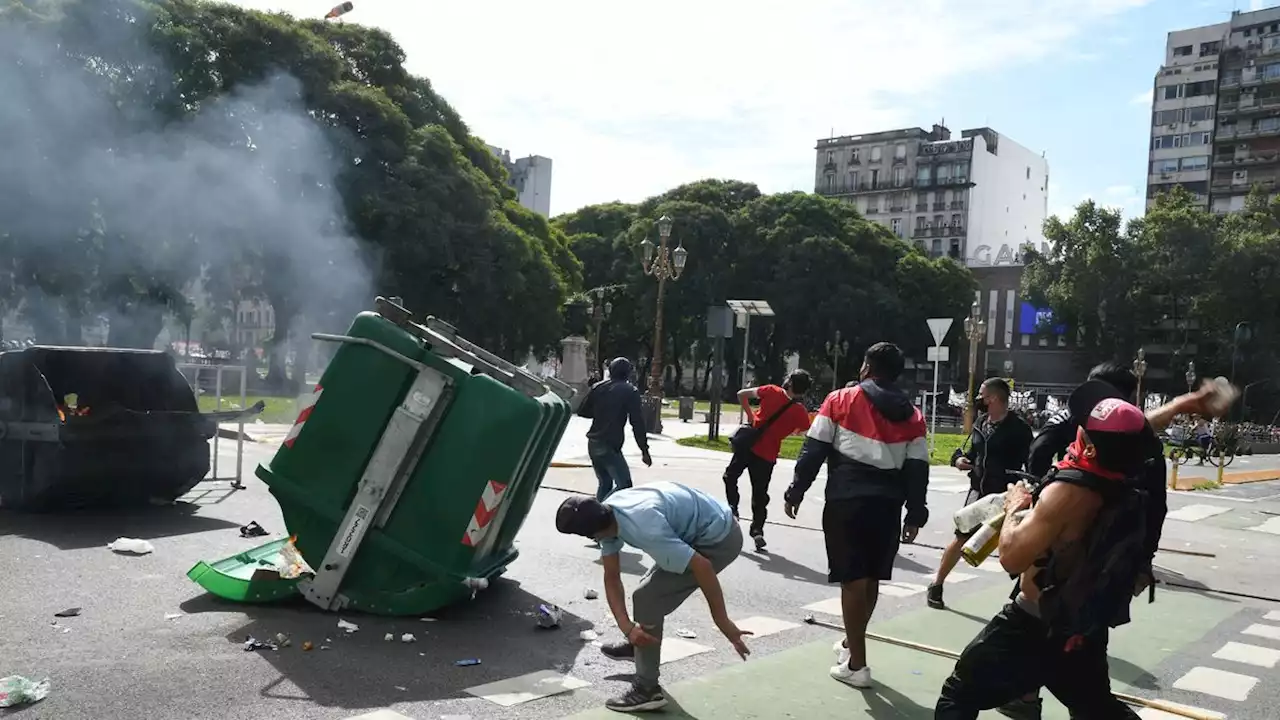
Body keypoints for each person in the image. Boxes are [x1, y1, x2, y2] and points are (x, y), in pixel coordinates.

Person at [935, 381, 1156, 719]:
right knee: (1097, 709)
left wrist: (1014, 506)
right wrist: (1189, 402)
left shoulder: (1068, 493)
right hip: (1085, 624)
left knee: (958, 696)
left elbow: (1012, 556)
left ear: (1092, 448)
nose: (1076, 432)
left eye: (1084, 429)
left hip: (1033, 623)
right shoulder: (1129, 481)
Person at [782, 342, 929, 689]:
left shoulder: (840, 400)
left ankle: (857, 665)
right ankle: (851, 641)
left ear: (866, 367)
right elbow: (918, 470)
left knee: (852, 578)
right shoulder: (913, 415)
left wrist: (796, 489)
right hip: (888, 503)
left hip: (847, 499)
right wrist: (916, 512)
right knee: (873, 576)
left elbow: (813, 450)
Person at [554, 483, 749, 713]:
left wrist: (722, 621)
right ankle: (638, 647)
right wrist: (627, 627)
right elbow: (612, 577)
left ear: (592, 534)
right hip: (709, 521)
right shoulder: (610, 509)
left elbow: (702, 566)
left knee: (647, 598)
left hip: (720, 540)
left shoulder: (645, 527)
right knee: (647, 589)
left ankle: (647, 690)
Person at [929, 378, 1033, 610]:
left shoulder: (1019, 429)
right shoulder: (980, 423)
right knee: (961, 538)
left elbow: (1032, 462)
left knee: (1021, 543)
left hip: (1007, 496)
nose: (978, 400)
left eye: (982, 396)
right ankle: (936, 584)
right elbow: (971, 452)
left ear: (994, 398)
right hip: (978, 492)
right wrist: (960, 460)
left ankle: (1024, 598)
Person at [723, 369, 813, 551]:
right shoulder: (800, 412)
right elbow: (804, 431)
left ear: (788, 382)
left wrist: (751, 416)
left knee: (730, 476)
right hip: (767, 455)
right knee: (760, 493)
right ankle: (757, 530)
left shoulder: (771, 391)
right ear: (804, 390)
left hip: (748, 444)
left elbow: (742, 394)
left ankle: (733, 508)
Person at [577, 357, 652, 502]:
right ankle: (599, 510)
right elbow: (637, 422)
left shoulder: (598, 387)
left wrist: (602, 410)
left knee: (605, 483)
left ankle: (598, 519)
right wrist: (644, 450)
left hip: (593, 442)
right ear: (628, 373)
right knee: (624, 485)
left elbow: (583, 411)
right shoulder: (630, 391)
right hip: (610, 444)